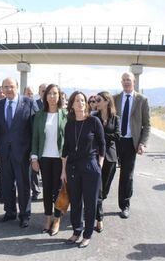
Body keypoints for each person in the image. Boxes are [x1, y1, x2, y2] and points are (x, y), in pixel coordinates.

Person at [61, 91, 105, 248]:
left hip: (90, 167)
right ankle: (76, 231)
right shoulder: (69, 124)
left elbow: (102, 144)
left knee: (90, 202)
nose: (80, 103)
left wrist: (99, 164)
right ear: (72, 104)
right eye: (77, 100)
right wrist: (63, 170)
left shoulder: (94, 121)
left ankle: (87, 234)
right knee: (75, 202)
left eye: (83, 100)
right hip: (72, 167)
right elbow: (65, 148)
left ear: (86, 103)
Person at [0, 77, 37, 228]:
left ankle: (24, 214)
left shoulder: (29, 103)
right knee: (6, 184)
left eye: (11, 86)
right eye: (5, 87)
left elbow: (34, 129)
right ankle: (10, 211)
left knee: (23, 184)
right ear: (2, 89)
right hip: (4, 152)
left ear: (17, 87)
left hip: (23, 152)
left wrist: (33, 152)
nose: (8, 89)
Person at [30, 84, 67, 236]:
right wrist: (34, 158)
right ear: (45, 97)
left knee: (57, 191)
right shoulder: (39, 115)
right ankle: (47, 218)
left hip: (60, 159)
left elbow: (69, 140)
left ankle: (57, 219)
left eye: (55, 93)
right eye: (49, 93)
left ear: (59, 96)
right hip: (44, 158)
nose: (52, 96)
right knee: (46, 190)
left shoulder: (65, 114)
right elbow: (35, 138)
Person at [114, 72, 150, 219]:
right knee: (106, 173)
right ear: (121, 82)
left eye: (128, 79)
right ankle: (98, 204)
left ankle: (124, 205)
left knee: (126, 176)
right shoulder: (115, 99)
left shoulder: (142, 100)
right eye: (123, 80)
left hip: (130, 143)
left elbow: (147, 125)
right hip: (115, 141)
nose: (126, 82)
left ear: (134, 81)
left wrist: (142, 143)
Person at [93, 91, 121, 233]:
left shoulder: (115, 119)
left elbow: (117, 136)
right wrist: (104, 136)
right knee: (98, 188)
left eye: (99, 100)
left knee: (104, 191)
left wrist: (101, 134)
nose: (96, 102)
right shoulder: (93, 117)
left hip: (110, 157)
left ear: (107, 101)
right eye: (96, 100)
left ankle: (97, 205)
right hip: (95, 157)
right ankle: (99, 218)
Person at [23, 85, 41, 201]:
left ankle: (35, 190)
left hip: (33, 142)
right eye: (27, 93)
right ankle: (25, 190)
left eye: (31, 94)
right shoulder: (19, 105)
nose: (29, 95)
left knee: (34, 169)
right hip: (21, 143)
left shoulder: (34, 105)